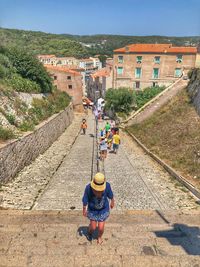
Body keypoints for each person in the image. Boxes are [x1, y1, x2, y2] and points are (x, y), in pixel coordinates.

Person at [82, 172, 114, 244]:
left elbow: (110, 195)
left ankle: (99, 236)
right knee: (93, 227)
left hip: (103, 210)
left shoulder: (107, 186)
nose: (98, 193)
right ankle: (89, 231)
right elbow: (85, 198)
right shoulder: (88, 188)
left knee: (101, 227)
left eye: (100, 191)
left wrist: (112, 201)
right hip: (93, 210)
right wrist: (84, 208)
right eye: (96, 191)